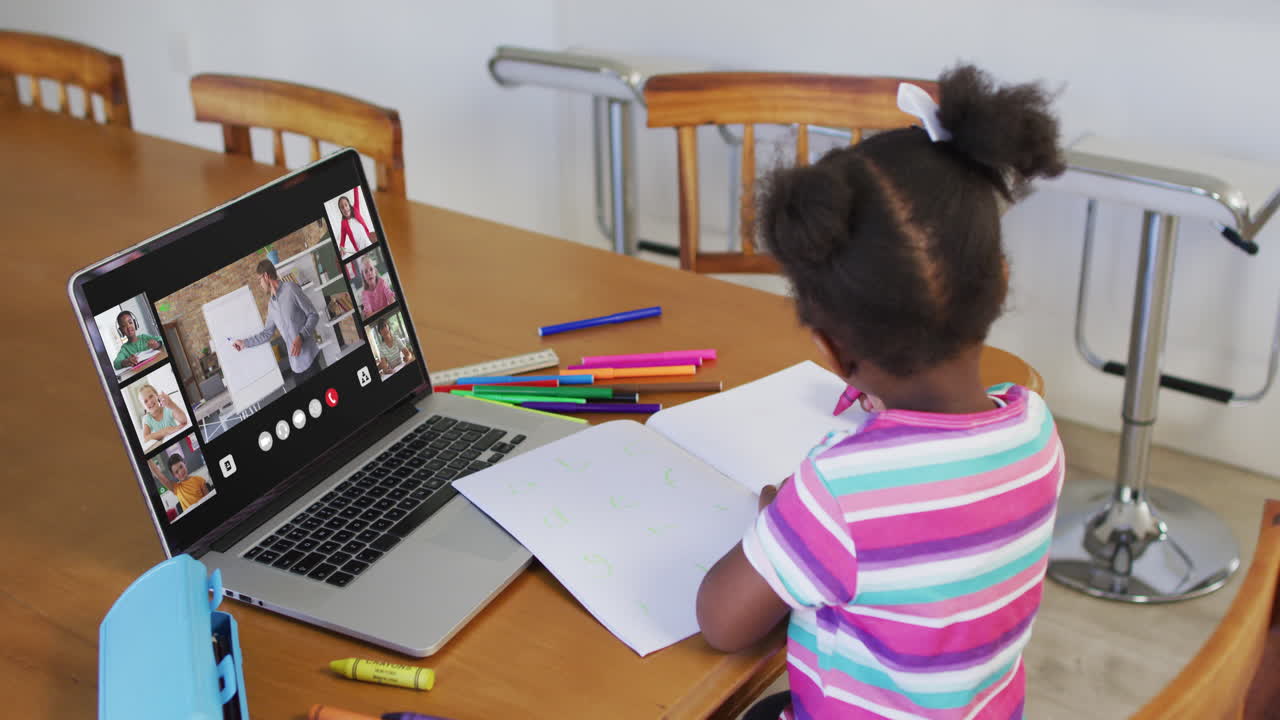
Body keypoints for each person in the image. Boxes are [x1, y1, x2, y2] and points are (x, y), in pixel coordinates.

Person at [696, 65, 1068, 720]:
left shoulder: (838, 495)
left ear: (831, 348)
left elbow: (721, 623)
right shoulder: (1037, 428)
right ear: (1000, 282)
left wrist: (780, 525)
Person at [232, 260, 326, 385]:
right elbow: (266, 334)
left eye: (259, 280)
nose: (260, 285)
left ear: (266, 276)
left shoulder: (291, 289)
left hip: (310, 359)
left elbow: (313, 315)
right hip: (295, 366)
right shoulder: (271, 306)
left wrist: (301, 337)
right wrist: (244, 343)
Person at [336, 190, 374, 256]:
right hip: (360, 251)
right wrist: (341, 248)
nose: (345, 208)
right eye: (342, 207)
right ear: (341, 211)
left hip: (368, 243)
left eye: (346, 205)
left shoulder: (356, 209)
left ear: (349, 205)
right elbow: (342, 240)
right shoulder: (343, 223)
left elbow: (356, 193)